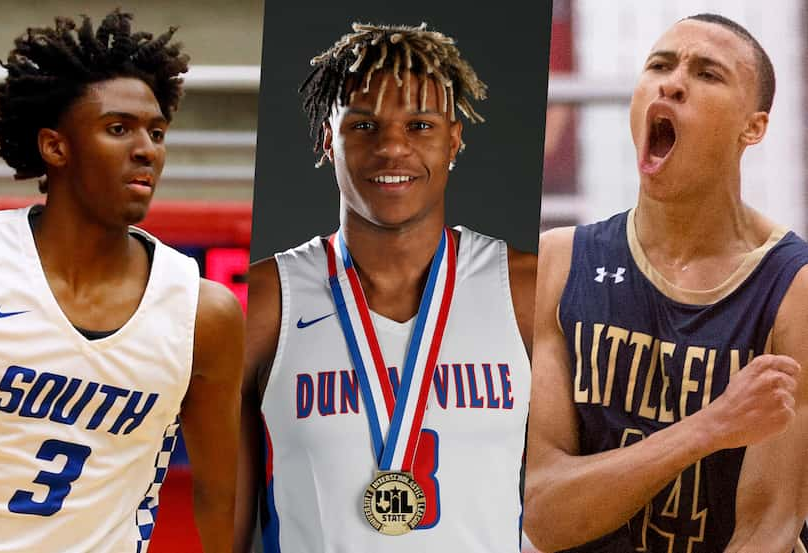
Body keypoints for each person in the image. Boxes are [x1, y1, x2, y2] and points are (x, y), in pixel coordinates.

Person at [238, 22, 536, 553]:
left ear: (454, 140)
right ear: (327, 140)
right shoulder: (267, 299)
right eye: (365, 126)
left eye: (420, 125)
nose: (392, 147)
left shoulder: (524, 290)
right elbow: (227, 520)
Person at [525, 13, 808, 553]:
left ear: (754, 126)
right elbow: (544, 514)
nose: (672, 82)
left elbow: (766, 532)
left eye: (707, 74)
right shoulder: (561, 263)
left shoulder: (794, 288)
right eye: (659, 65)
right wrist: (710, 427)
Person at [0, 11, 243, 553]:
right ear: (56, 147)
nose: (146, 148)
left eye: (157, 132)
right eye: (118, 128)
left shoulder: (203, 313)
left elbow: (222, 498)